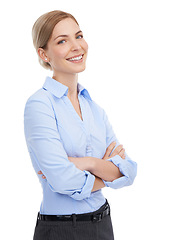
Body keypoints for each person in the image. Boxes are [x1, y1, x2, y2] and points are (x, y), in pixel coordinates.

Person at [24, 10, 137, 240]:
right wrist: (108, 172)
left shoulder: (95, 109)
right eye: (62, 41)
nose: (76, 46)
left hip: (103, 224)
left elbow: (130, 170)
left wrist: (87, 162)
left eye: (78, 36)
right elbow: (62, 180)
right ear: (44, 54)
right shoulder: (40, 105)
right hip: (63, 230)